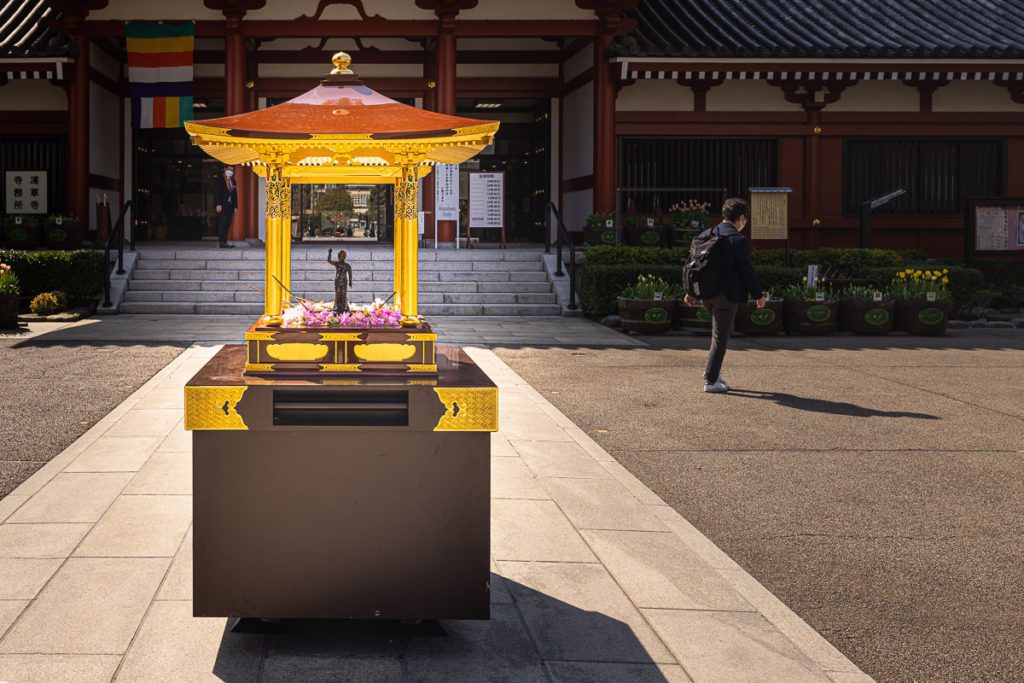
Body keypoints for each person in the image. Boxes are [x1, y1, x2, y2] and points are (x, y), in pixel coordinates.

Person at [684, 197, 766, 393]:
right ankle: (711, 380)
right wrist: (758, 295)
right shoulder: (737, 240)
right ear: (740, 218)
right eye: (744, 219)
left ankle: (713, 373)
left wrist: (690, 292)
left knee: (722, 333)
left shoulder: (706, 235)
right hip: (726, 296)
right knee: (720, 338)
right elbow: (747, 270)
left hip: (706, 295)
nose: (744, 223)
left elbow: (692, 264)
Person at [213, 166, 238, 248]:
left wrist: (235, 206)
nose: (230, 171)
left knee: (228, 223)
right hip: (222, 205)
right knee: (222, 222)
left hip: (230, 206)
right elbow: (217, 192)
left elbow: (234, 194)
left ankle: (225, 241)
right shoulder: (219, 180)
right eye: (228, 169)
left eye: (232, 170)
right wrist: (218, 204)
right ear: (225, 170)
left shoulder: (233, 181)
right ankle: (221, 241)